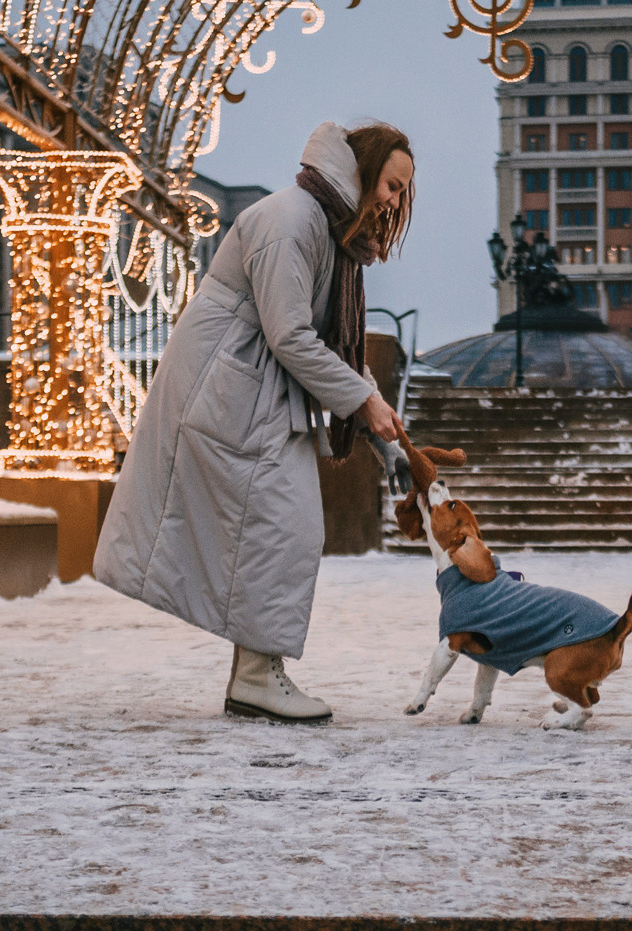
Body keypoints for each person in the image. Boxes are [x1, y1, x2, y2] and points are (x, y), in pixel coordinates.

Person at [94, 122, 414, 722]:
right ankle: (257, 676)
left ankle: (256, 674)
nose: (394, 202)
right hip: (230, 390)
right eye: (391, 187)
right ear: (366, 173)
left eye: (401, 193)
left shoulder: (321, 229)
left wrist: (381, 425)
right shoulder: (292, 220)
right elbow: (292, 335)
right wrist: (366, 405)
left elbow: (329, 347)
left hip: (251, 391)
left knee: (278, 529)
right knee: (282, 527)